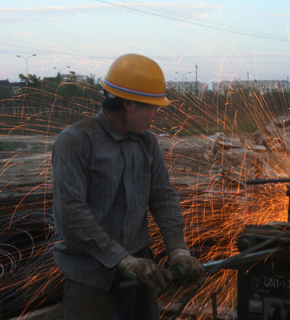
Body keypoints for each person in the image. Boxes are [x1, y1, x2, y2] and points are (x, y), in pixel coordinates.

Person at [52, 53, 205, 320]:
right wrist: (123, 260)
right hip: (91, 275)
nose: (156, 115)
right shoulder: (76, 141)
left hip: (140, 271)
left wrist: (178, 250)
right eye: (152, 107)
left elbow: (163, 199)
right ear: (127, 105)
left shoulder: (147, 143)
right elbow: (72, 214)